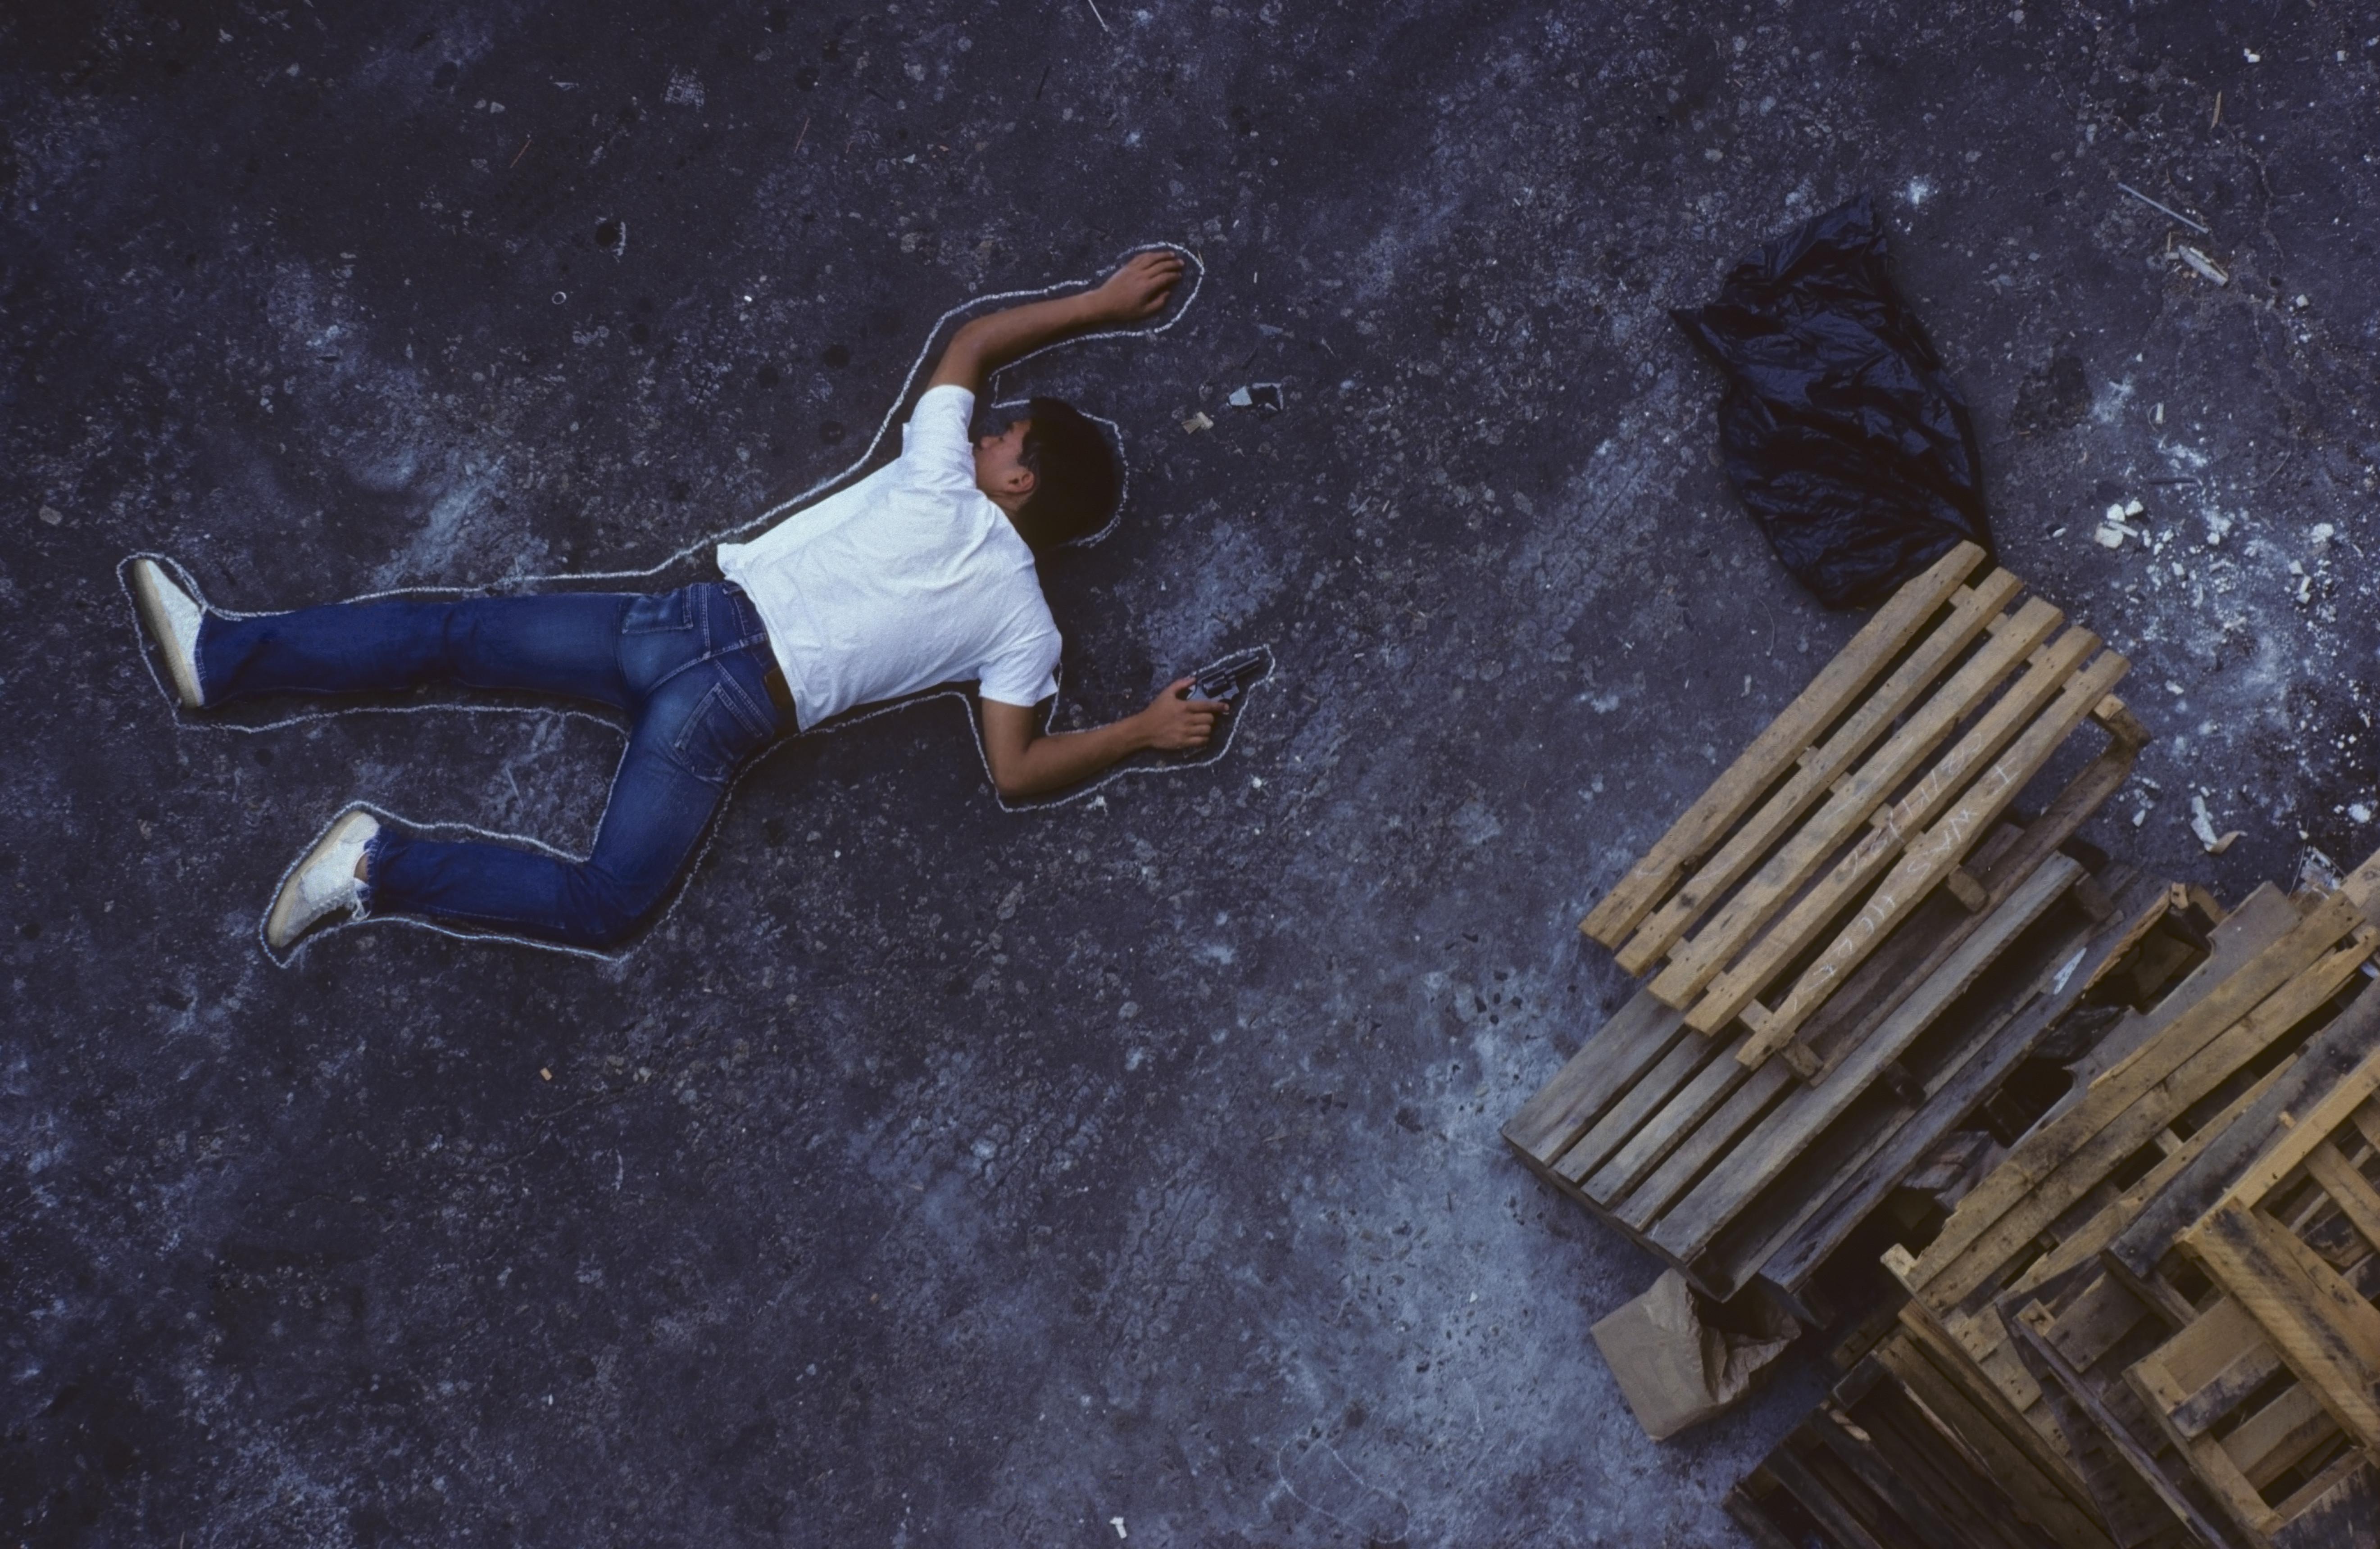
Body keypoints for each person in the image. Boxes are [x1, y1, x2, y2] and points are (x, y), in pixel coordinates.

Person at [127, 249, 1226, 953]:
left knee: (455, 634)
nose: (988, 427)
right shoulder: (1023, 625)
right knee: (608, 902)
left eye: (1008, 433)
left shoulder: (945, 480)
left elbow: (973, 342)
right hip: (731, 704)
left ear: (1016, 477)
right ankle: (376, 860)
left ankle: (225, 658)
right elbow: (1019, 771)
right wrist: (1139, 730)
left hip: (687, 625)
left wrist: (1100, 302)